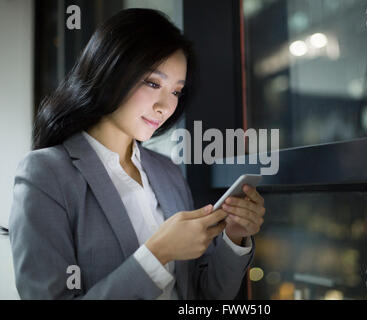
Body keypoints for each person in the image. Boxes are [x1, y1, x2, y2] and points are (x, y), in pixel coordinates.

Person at [8, 8, 265, 300]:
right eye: (153, 83)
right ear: (111, 71)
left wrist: (233, 235)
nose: (165, 106)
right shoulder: (45, 174)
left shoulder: (167, 173)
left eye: (176, 92)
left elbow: (205, 295)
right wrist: (157, 254)